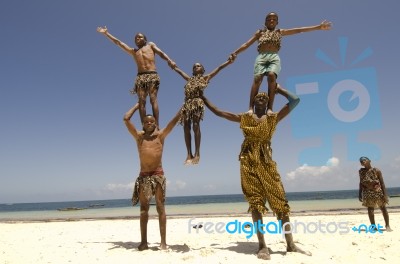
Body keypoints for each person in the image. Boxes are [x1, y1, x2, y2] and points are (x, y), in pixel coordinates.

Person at [202, 85, 310, 260]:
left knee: (281, 202)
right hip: (248, 161)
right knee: (256, 203)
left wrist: (278, 89)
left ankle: (291, 244)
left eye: (265, 97)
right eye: (258, 97)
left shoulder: (272, 118)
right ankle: (262, 245)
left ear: (268, 102)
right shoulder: (244, 118)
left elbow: (295, 100)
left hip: (266, 161)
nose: (262, 98)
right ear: (253, 101)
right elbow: (219, 112)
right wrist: (204, 99)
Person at [229, 12, 331, 114]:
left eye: (274, 19)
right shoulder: (259, 33)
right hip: (261, 57)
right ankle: (250, 108)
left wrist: (318, 27)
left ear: (277, 22)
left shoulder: (279, 32)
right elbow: (247, 44)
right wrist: (235, 52)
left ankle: (270, 108)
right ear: (265, 22)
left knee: (271, 75)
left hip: (274, 57)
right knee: (257, 79)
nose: (271, 20)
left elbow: (299, 30)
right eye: (269, 19)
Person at [124, 102, 181, 250]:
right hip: (143, 176)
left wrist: (183, 108)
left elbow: (173, 121)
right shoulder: (139, 137)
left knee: (161, 207)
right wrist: (137, 106)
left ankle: (163, 242)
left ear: (155, 124)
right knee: (144, 209)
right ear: (143, 124)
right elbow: (126, 119)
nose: (149, 123)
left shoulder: (160, 136)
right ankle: (144, 241)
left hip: (158, 175)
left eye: (152, 122)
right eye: (146, 122)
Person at [98, 26, 177, 126]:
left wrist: (169, 60)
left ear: (145, 39)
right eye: (136, 38)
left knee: (153, 99)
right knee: (142, 101)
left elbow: (161, 53)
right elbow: (119, 43)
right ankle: (144, 125)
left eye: (140, 37)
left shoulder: (150, 45)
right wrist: (106, 34)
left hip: (152, 75)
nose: (137, 39)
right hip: (140, 77)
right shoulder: (134, 51)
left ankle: (156, 125)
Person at [173, 59, 233, 165]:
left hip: (197, 102)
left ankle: (197, 153)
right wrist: (172, 65)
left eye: (198, 66)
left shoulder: (205, 78)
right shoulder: (189, 79)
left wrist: (228, 62)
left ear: (203, 69)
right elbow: (179, 71)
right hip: (187, 104)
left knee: (196, 125)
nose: (196, 67)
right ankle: (188, 154)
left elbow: (219, 68)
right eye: (194, 66)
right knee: (186, 126)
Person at [358, 156, 392, 232]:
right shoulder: (361, 171)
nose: (362, 161)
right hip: (367, 192)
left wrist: (385, 195)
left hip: (378, 192)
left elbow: (382, 183)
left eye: (364, 160)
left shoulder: (377, 170)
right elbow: (361, 182)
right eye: (361, 161)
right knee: (370, 209)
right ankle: (373, 227)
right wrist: (360, 193)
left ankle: (387, 225)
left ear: (369, 161)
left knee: (383, 208)